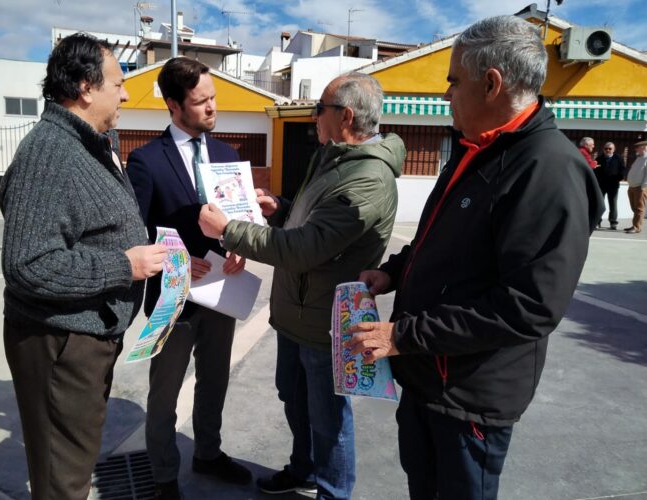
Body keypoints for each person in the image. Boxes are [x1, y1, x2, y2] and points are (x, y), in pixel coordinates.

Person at [345, 16, 603, 500]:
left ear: (491, 83)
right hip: (427, 377)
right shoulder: (475, 148)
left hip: (468, 396)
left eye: (452, 81)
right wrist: (394, 272)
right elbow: (439, 241)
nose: (446, 95)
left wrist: (402, 334)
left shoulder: (548, 170)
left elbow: (529, 307)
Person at [199, 72, 405, 499]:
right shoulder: (333, 157)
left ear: (345, 116)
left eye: (320, 109)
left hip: (326, 323)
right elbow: (311, 223)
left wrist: (230, 230)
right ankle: (304, 469)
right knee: (293, 396)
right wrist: (281, 208)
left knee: (328, 417)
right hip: (298, 312)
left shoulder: (368, 178)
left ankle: (333, 491)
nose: (313, 116)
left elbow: (306, 248)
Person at [0, 33, 167, 500]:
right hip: (60, 342)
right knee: (62, 479)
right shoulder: (49, 153)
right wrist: (122, 267)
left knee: (72, 464)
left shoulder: (86, 143)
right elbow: (28, 264)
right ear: (85, 87)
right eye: (118, 82)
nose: (126, 92)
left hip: (84, 336)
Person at [126, 57, 251, 500]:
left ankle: (208, 453)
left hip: (221, 292)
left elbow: (239, 220)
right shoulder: (144, 162)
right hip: (172, 297)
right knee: (165, 391)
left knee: (215, 380)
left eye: (214, 97)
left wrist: (240, 246)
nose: (212, 108)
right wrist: (175, 255)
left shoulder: (227, 155)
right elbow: (135, 231)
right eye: (201, 101)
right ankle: (163, 475)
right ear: (174, 105)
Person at [595, 142, 626, 229]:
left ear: (614, 149)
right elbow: (595, 171)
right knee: (599, 204)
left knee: (613, 204)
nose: (607, 150)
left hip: (613, 185)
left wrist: (618, 178)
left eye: (610, 148)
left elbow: (623, 170)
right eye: (606, 148)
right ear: (603, 149)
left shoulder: (618, 158)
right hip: (601, 185)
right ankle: (597, 222)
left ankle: (613, 222)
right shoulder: (599, 158)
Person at [624, 139, 647, 234]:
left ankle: (637, 227)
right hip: (632, 186)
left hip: (640, 187)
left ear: (644, 147)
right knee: (634, 207)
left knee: (639, 208)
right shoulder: (639, 158)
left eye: (637, 147)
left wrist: (643, 187)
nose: (636, 149)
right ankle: (635, 225)